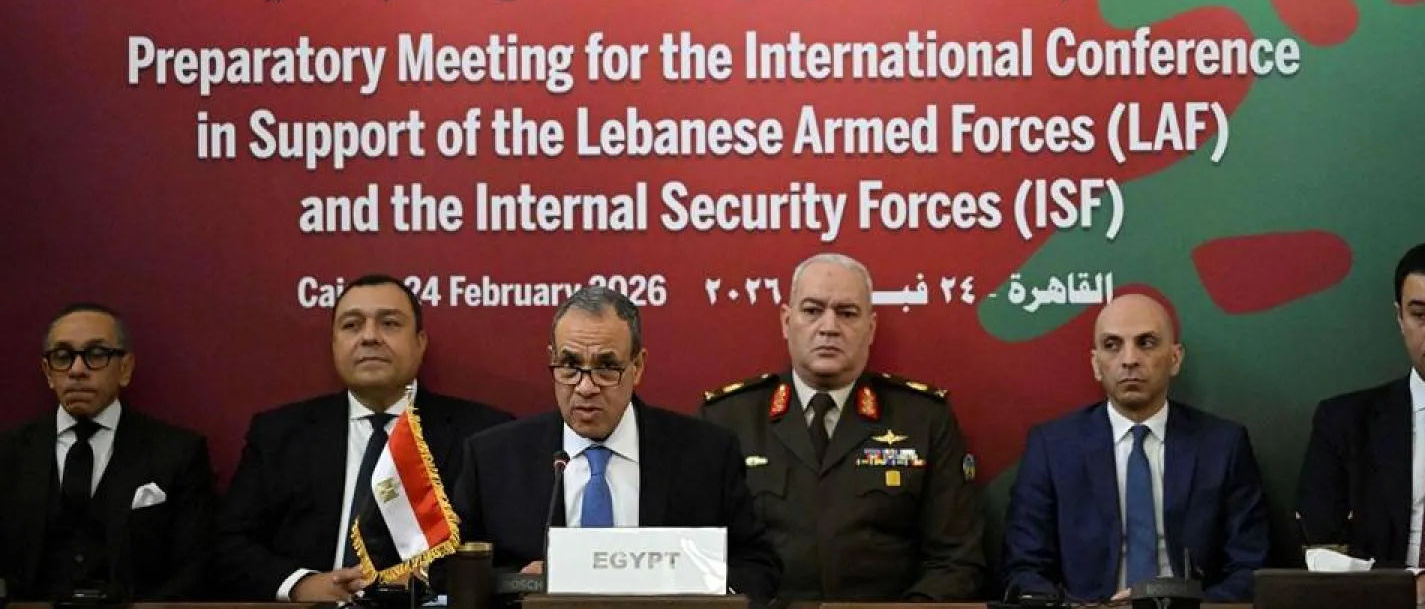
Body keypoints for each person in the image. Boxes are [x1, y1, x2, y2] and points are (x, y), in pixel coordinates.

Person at [452, 286, 781, 604]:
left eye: (606, 367)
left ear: (637, 367)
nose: (585, 387)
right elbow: (449, 573)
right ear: (552, 360)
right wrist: (520, 583)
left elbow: (757, 566)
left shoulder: (706, 454)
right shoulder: (493, 458)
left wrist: (695, 589)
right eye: (569, 365)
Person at [699, 252, 984, 601]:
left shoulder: (924, 419)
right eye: (812, 310)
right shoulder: (728, 419)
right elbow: (703, 558)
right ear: (787, 322)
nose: (829, 327)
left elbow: (955, 562)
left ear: (871, 327)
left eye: (847, 313)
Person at [217, 274, 512, 602]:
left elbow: (504, 551)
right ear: (333, 345)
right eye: (352, 325)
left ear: (421, 341)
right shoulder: (279, 435)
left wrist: (430, 578)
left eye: (389, 323)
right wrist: (302, 585)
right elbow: (229, 544)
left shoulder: (483, 434)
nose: (370, 337)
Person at [1000, 293, 1269, 603]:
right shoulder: (1052, 447)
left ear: (1175, 358)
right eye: (1112, 346)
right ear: (1096, 364)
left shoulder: (1223, 445)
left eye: (1146, 343)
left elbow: (1251, 567)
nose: (1129, 359)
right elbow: (1023, 567)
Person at [1298, 239, 1425, 604]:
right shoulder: (1343, 423)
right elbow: (1318, 553)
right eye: (1420, 314)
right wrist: (1413, 583)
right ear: (1400, 319)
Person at [0, 303, 216, 601]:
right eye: (63, 357)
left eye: (96, 355)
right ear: (48, 373)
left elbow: (195, 566)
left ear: (125, 369)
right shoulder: (8, 453)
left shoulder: (178, 452)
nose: (77, 370)